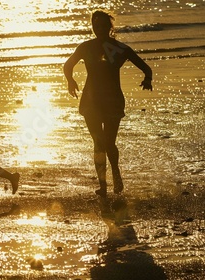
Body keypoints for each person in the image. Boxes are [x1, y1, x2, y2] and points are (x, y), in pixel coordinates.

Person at [63, 10, 153, 196]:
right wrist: (70, 81)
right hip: (91, 101)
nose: (100, 29)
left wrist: (148, 79)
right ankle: (103, 185)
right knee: (98, 143)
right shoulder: (86, 47)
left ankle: (116, 174)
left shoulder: (120, 48)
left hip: (112, 101)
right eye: (96, 26)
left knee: (109, 143)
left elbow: (146, 68)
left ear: (110, 27)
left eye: (103, 26)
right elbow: (67, 65)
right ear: (93, 27)